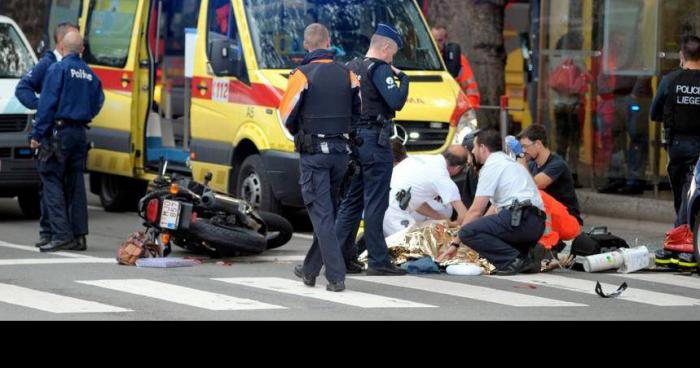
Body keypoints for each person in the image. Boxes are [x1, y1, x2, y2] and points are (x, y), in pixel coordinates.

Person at [280, 24, 360, 292]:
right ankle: (310, 269)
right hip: (340, 154)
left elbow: (285, 116)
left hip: (314, 155)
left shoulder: (301, 75)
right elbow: (359, 112)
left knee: (323, 216)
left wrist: (301, 137)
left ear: (306, 45)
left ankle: (336, 276)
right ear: (329, 42)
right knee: (328, 214)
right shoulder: (348, 73)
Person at [335, 23, 410, 276]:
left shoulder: (351, 67)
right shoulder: (379, 69)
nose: (393, 58)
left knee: (352, 203)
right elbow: (396, 101)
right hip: (376, 142)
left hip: (354, 141)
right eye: (393, 52)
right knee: (376, 203)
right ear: (385, 46)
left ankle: (338, 257)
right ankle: (378, 261)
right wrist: (404, 80)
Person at [30, 31, 104, 252]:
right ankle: (79, 236)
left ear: (62, 48)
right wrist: (83, 114)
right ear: (81, 50)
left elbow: (47, 104)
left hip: (58, 133)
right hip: (79, 133)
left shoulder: (58, 69)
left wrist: (37, 134)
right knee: (76, 184)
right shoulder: (91, 74)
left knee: (50, 178)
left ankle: (61, 235)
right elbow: (98, 101)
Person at [438, 129, 546, 275]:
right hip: (536, 224)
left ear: (482, 148)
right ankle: (527, 256)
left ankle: (512, 260)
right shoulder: (510, 163)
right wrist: (481, 227)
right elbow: (494, 209)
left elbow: (476, 210)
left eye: (474, 147)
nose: (474, 152)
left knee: (468, 232)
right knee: (482, 229)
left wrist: (457, 242)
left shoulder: (491, 166)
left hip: (519, 220)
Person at [15, 22, 79, 249]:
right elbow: (23, 88)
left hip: (63, 133)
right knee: (49, 183)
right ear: (62, 42)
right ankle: (48, 231)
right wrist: (41, 106)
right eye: (75, 35)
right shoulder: (48, 64)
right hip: (50, 132)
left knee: (56, 183)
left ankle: (56, 231)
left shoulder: (72, 65)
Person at [650, 35, 700, 228]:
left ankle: (681, 232)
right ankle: (686, 231)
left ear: (682, 55)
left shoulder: (670, 80)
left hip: (677, 146)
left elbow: (655, 113)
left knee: (681, 192)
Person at [383, 145, 469, 237]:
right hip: (394, 214)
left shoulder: (421, 158)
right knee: (415, 248)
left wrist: (442, 219)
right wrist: (456, 227)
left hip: (380, 206)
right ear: (458, 168)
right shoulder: (442, 178)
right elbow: (464, 215)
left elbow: (418, 204)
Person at [515, 124, 583, 225]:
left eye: (524, 146)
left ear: (538, 144)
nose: (523, 151)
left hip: (567, 220)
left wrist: (520, 159)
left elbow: (535, 185)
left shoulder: (558, 164)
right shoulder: (531, 165)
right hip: (546, 216)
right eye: (521, 148)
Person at [431, 25, 480, 110]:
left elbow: (471, 89)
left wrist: (468, 109)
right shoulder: (423, 60)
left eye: (439, 40)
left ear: (445, 39)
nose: (436, 44)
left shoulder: (458, 60)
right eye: (433, 40)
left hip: (452, 108)